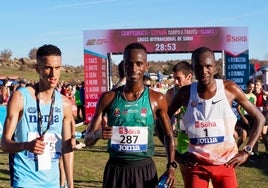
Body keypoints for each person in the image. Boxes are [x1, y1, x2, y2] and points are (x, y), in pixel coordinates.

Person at [168, 46, 265, 188]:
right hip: (196, 166)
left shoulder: (228, 88)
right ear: (193, 68)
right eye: (198, 67)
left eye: (208, 66)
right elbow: (161, 120)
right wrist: (175, 154)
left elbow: (260, 118)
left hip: (225, 164)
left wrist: (247, 151)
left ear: (215, 67)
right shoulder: (185, 93)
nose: (203, 71)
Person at [84, 42, 176, 188]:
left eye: (139, 64)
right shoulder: (108, 98)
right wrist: (98, 134)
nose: (134, 69)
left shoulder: (156, 99)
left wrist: (171, 166)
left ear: (146, 66)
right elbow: (87, 139)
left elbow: (169, 135)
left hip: (144, 171)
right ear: (124, 65)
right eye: (129, 64)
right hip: (116, 170)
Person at [1, 44, 74, 188]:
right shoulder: (20, 97)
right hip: (25, 180)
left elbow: (66, 147)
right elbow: (4, 144)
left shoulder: (65, 103)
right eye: (48, 68)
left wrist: (70, 184)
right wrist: (26, 145)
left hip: (52, 182)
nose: (53, 74)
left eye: (57, 68)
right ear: (37, 68)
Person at [165, 61, 193, 183]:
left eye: (178, 78)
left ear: (189, 77)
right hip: (182, 144)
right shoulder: (170, 93)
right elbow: (164, 120)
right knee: (187, 181)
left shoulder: (198, 92)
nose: (175, 82)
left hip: (198, 146)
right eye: (174, 78)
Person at [236, 80, 257, 149]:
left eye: (253, 88)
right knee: (243, 138)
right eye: (250, 87)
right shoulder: (242, 95)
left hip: (251, 118)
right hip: (244, 118)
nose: (251, 89)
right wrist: (243, 118)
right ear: (247, 86)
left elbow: (254, 108)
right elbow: (238, 108)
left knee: (253, 137)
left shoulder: (254, 97)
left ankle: (253, 152)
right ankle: (235, 149)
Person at [253, 79, 268, 158]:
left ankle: (267, 151)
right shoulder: (252, 94)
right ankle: (256, 152)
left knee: (263, 134)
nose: (256, 86)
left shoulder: (264, 93)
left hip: (265, 115)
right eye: (255, 84)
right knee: (256, 134)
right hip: (257, 115)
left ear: (261, 86)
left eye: (257, 84)